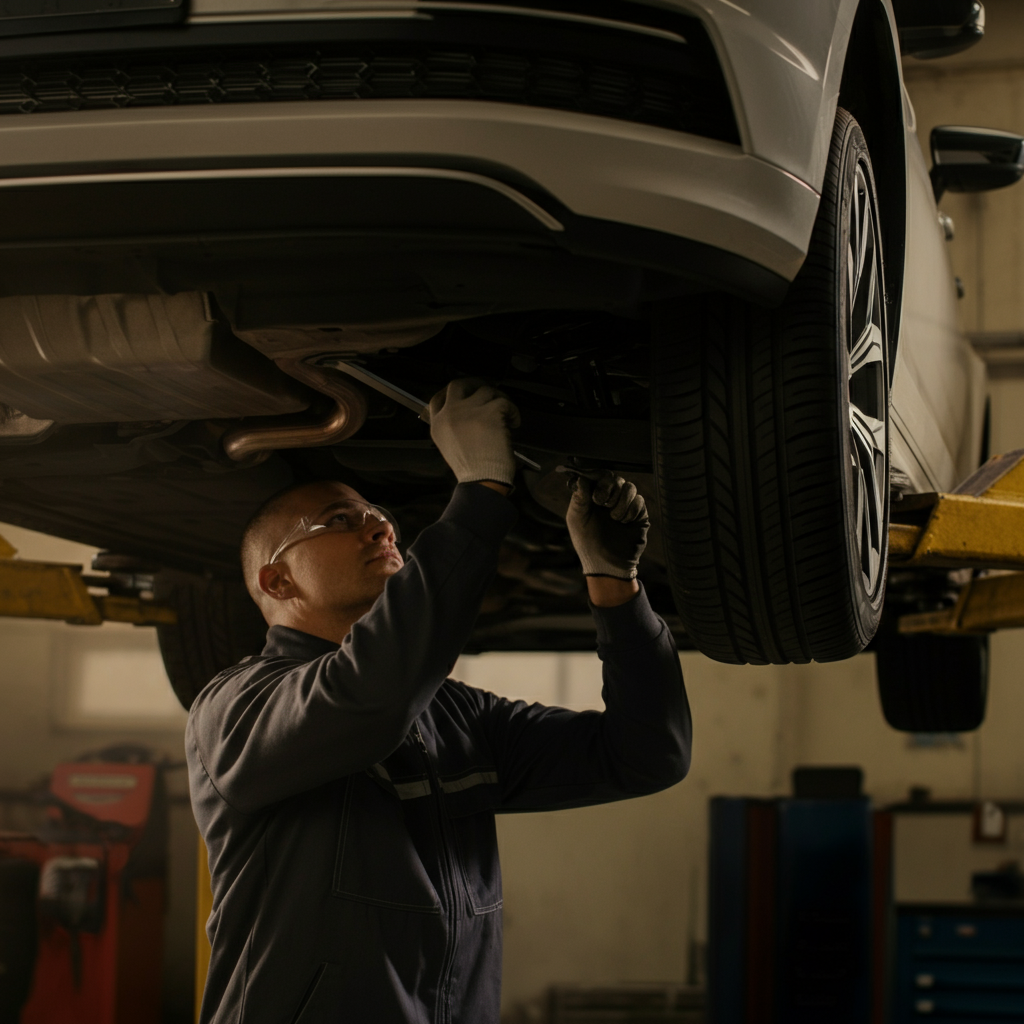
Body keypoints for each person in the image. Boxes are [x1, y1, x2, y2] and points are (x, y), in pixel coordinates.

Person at [186, 379, 692, 1024]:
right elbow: (370, 699)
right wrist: (480, 491)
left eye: (378, 515)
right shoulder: (236, 709)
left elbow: (648, 754)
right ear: (277, 578)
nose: (377, 524)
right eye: (340, 520)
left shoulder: (456, 719)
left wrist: (614, 583)